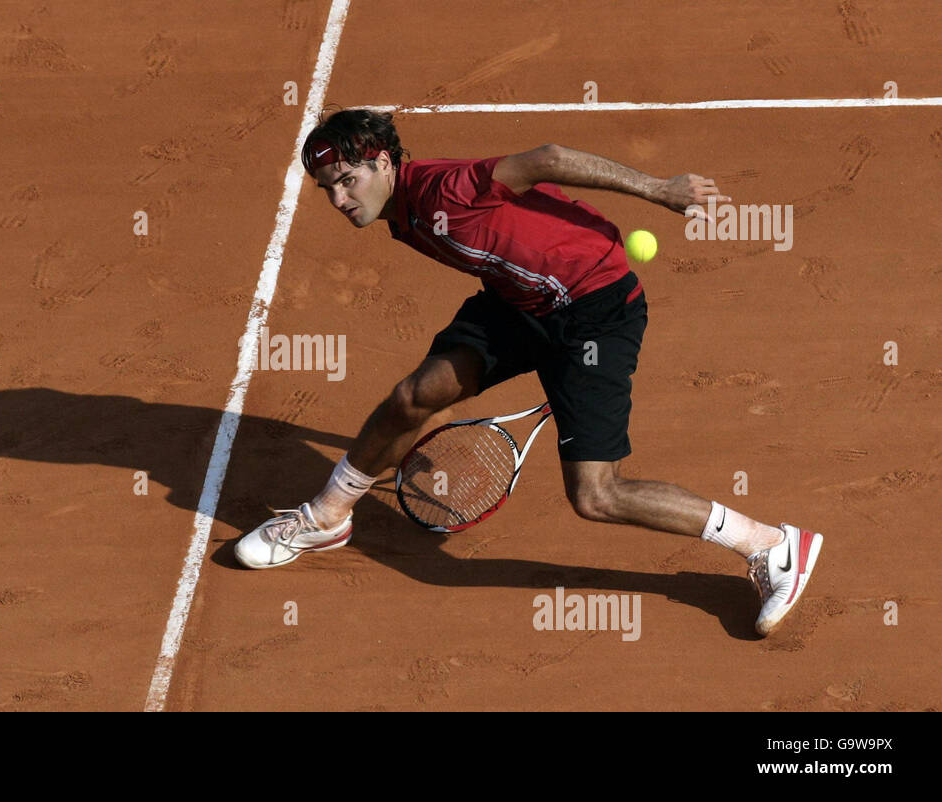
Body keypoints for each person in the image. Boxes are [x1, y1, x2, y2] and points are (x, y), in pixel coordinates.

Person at [234, 108, 823, 637]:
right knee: (418, 394)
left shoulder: (447, 189)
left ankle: (771, 546)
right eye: (326, 189)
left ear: (383, 162)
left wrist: (657, 188)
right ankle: (326, 517)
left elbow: (550, 159)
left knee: (597, 495)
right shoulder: (399, 214)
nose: (338, 199)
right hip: (520, 302)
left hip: (595, 311)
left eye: (346, 180)